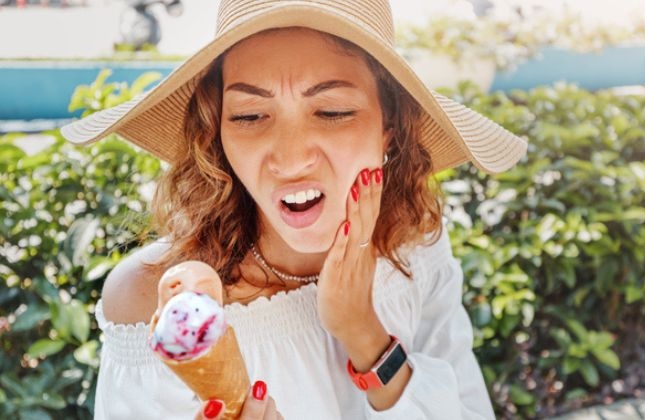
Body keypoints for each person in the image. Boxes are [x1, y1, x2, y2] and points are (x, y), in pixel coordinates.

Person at [60, 0, 527, 419]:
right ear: (216, 132)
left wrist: (365, 334)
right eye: (248, 116)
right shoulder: (153, 306)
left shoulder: (413, 243)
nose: (289, 158)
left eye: (332, 111)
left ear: (390, 126)